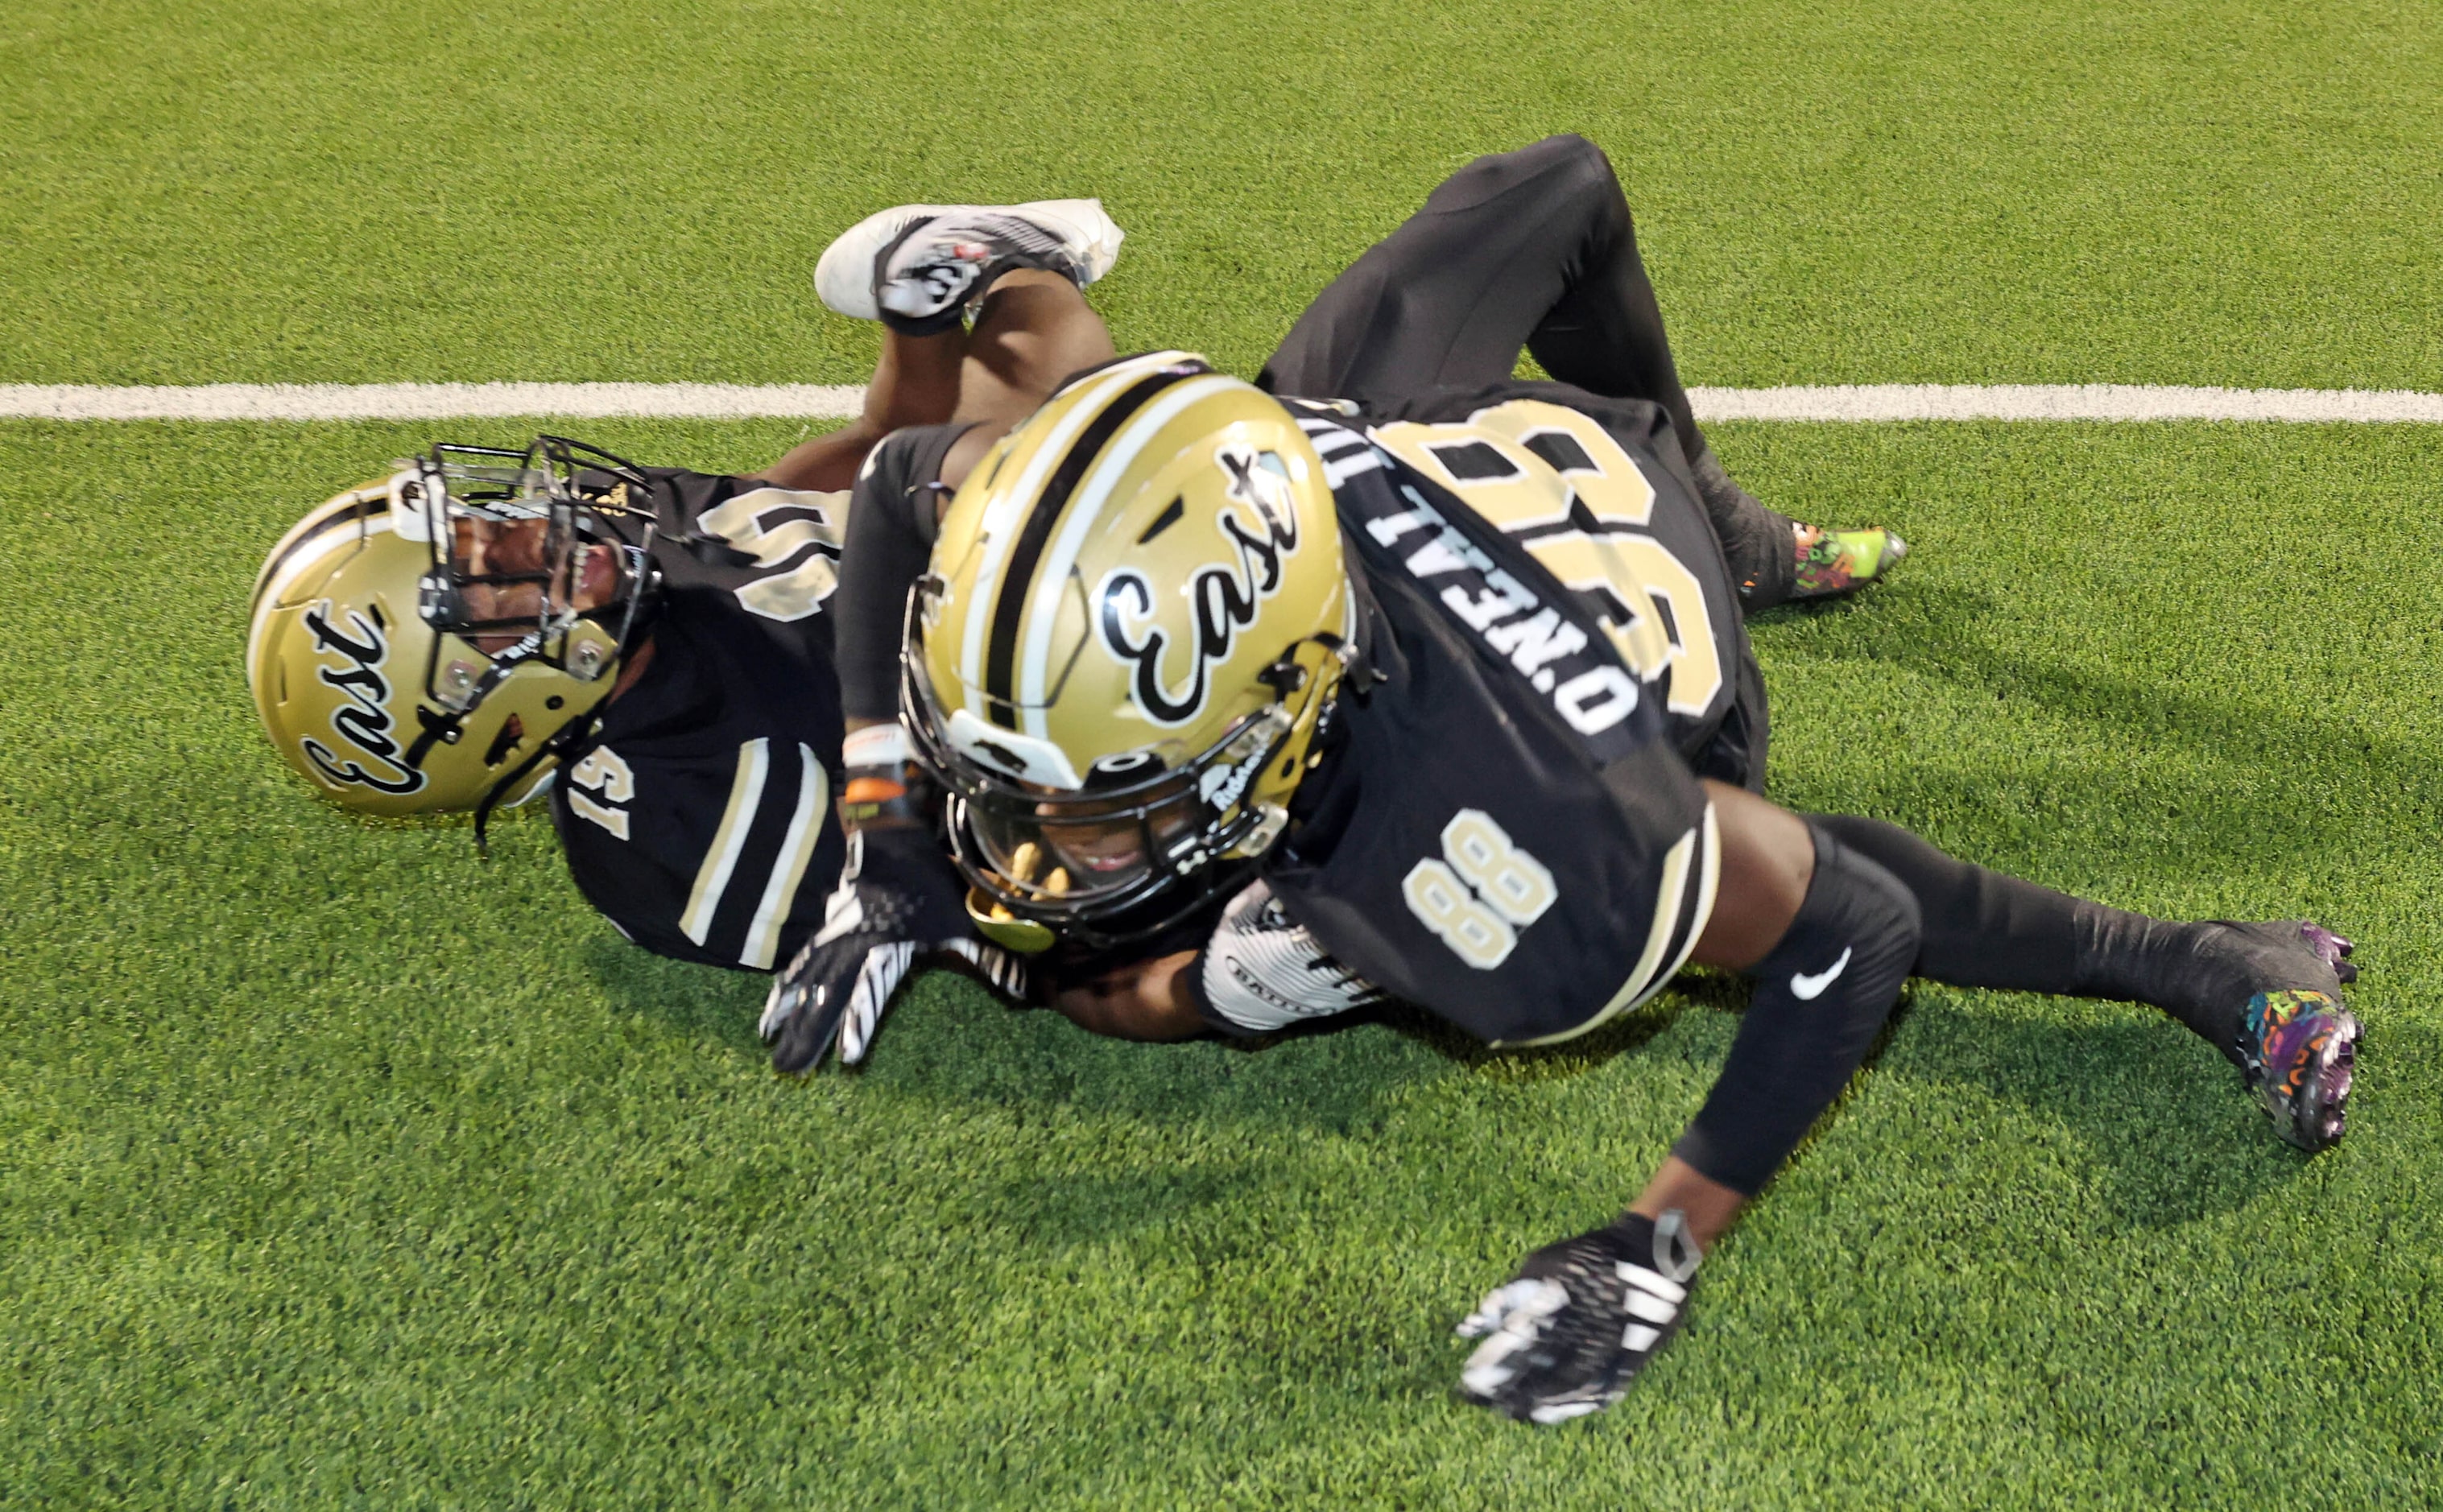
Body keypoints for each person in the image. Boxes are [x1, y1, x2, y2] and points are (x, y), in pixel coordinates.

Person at [762, 137, 2363, 1424]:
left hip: (1617, 663)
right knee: (1553, 192)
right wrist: (887, 846)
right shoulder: (1232, 486)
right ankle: (1009, 263)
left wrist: (1654, 1238)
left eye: (1111, 792)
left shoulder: (1517, 845)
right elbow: (903, 498)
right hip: (1368, 460)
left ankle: (2205, 963)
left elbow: (1849, 929)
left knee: (1723, 872)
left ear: (1277, 711)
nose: (1053, 835)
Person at [244, 200, 1123, 978]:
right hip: (1083, 688)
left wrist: (917, 328)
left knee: (979, 469)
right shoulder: (693, 837)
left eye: (480, 527)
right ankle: (1025, 280)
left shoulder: (603, 561)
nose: (533, 529)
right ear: (495, 714)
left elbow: (854, 460)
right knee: (1032, 474)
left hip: (982, 561)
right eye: (496, 578)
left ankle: (1014, 255)